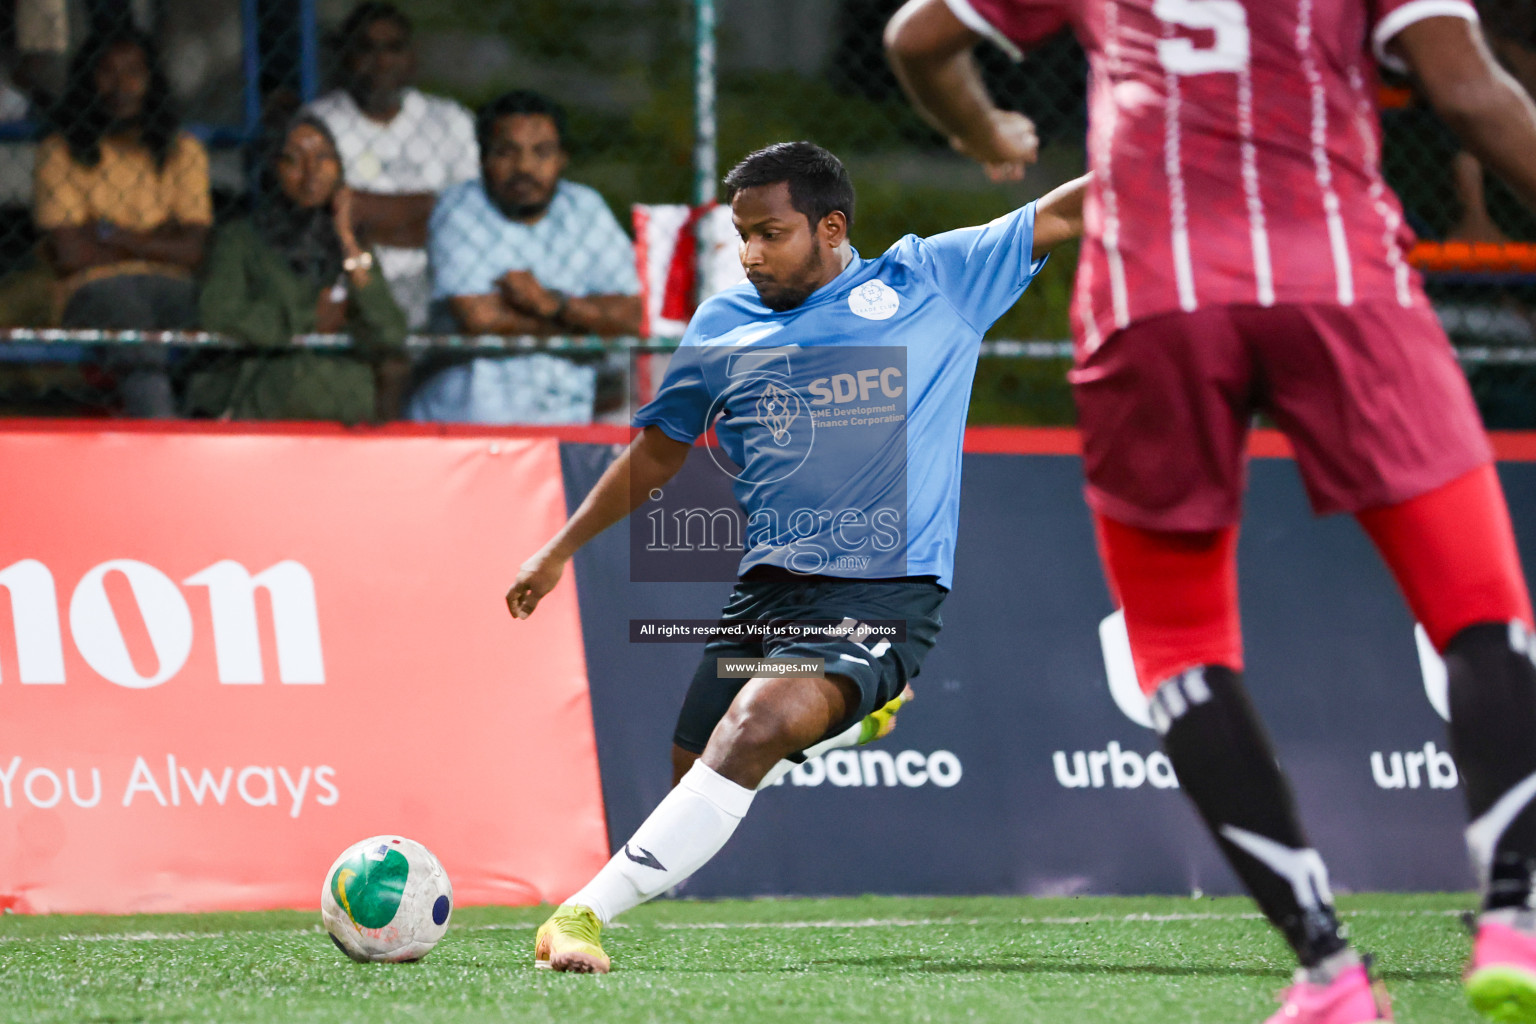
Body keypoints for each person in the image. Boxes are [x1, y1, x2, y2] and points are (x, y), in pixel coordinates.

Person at [885, 1, 1536, 1022]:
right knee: (1480, 606)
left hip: (1154, 294)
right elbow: (1467, 93)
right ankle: (1514, 917)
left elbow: (918, 37)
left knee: (1181, 648)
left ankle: (1328, 969)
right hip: (1340, 280)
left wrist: (982, 130)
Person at [507, 141, 1086, 973]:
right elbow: (660, 453)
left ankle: (579, 916)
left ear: (831, 227)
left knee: (758, 725)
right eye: (741, 234)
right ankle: (862, 718)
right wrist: (560, 549)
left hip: (890, 589)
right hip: (770, 591)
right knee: (696, 769)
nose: (749, 253)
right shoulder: (720, 325)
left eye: (770, 233)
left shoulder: (930, 282)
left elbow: (1062, 213)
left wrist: (1168, 157)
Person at [406, 90, 641, 424]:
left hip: (565, 420)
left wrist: (551, 303)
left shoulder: (585, 207)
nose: (524, 167)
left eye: (541, 152)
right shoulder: (459, 207)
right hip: (466, 422)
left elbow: (630, 315)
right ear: (483, 158)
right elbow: (480, 317)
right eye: (506, 152)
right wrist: (584, 323)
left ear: (563, 158)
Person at [34, 26, 212, 416]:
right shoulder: (61, 151)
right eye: (107, 72)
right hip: (93, 288)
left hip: (174, 285)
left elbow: (194, 251)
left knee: (218, 319)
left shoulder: (183, 150)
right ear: (88, 80)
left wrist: (106, 232)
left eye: (134, 72)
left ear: (152, 80)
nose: (122, 85)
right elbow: (68, 254)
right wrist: (157, 238)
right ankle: (161, 444)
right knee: (136, 332)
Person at [188, 115, 407, 424]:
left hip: (344, 417)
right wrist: (305, 319)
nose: (311, 172)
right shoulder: (241, 239)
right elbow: (217, 312)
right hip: (264, 409)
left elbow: (390, 330)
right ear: (273, 169)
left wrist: (347, 240)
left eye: (323, 158)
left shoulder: (351, 248)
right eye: (294, 159)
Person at [305, 1, 478, 329]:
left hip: (439, 284)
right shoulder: (319, 123)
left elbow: (466, 217)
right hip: (350, 285)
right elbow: (324, 221)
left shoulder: (450, 121)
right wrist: (425, 211)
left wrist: (361, 210)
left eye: (393, 48)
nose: (381, 61)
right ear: (345, 55)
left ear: (412, 57)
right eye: (366, 48)